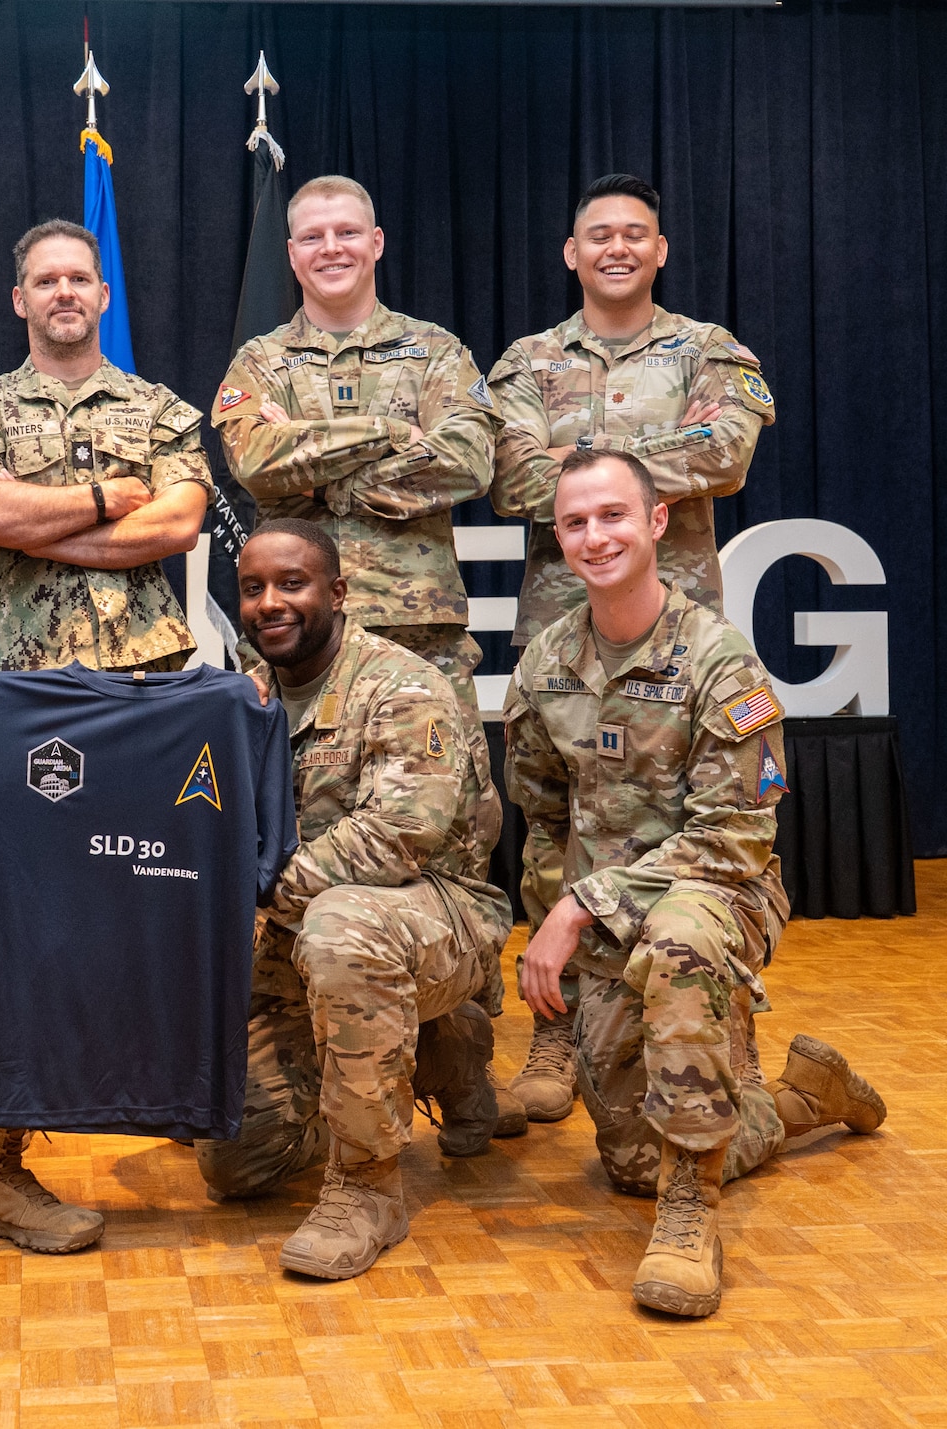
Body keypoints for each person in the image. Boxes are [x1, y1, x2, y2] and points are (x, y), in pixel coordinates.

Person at [504, 449, 883, 1318]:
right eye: (575, 523)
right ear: (557, 537)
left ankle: (689, 1217)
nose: (595, 537)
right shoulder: (545, 662)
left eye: (612, 516)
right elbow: (546, 822)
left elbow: (734, 835)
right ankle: (799, 1100)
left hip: (721, 894)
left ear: (657, 521)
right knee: (633, 1159)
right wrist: (555, 927)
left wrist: (581, 904)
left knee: (681, 937)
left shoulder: (721, 663)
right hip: (602, 917)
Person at [0, 218, 211, 1253]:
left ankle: (159, 1092)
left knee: (148, 901)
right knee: (33, 930)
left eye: (77, 278)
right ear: (19, 300)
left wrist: (40, 521)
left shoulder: (160, 408)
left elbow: (176, 526)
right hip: (21, 697)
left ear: (102, 295)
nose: (60, 292)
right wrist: (99, 502)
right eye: (42, 278)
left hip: (144, 689)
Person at [488, 173, 777, 1126]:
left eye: (635, 234)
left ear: (660, 250)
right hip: (559, 631)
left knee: (692, 826)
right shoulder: (525, 360)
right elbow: (511, 474)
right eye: (597, 235)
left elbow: (728, 451)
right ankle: (556, 1021)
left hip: (675, 631)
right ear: (571, 254)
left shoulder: (712, 350)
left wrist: (588, 462)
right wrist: (650, 450)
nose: (616, 247)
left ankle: (727, 1027)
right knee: (553, 824)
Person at [196, 519, 513, 1279]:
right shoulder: (245, 690)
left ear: (338, 593)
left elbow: (400, 835)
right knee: (234, 1165)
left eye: (292, 584)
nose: (270, 602)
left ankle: (367, 1185)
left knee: (341, 927)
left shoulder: (400, 685)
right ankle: (438, 1047)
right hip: (310, 933)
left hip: (437, 912)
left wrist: (253, 897)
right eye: (252, 588)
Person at [210, 174, 497, 723]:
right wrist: (389, 434)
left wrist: (314, 476)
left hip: (418, 629)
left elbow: (469, 462)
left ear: (377, 242)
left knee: (446, 800)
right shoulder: (259, 361)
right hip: (294, 637)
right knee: (287, 801)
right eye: (313, 237)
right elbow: (254, 463)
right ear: (293, 255)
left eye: (347, 232)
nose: (332, 248)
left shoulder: (436, 351)